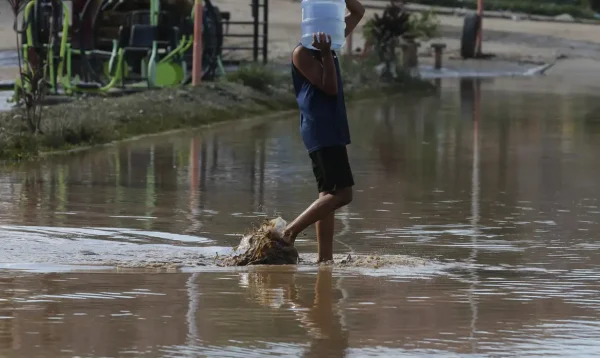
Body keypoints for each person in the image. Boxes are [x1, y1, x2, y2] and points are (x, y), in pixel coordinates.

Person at [281, 0, 365, 263]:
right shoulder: (302, 53)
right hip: (321, 129)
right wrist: (327, 53)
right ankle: (288, 233)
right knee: (342, 194)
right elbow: (329, 88)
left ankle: (324, 260)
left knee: (327, 195)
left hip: (331, 127)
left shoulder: (333, 41)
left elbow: (359, 12)